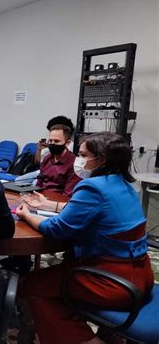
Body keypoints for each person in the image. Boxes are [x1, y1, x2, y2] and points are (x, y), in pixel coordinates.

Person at [17, 132, 154, 344]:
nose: (77, 160)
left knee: (33, 285)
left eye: (82, 155)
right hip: (140, 275)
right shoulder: (124, 184)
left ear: (101, 160)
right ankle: (108, 334)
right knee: (54, 283)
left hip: (108, 281)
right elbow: (91, 208)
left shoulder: (92, 187)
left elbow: (56, 229)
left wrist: (26, 214)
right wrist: (48, 205)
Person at [37, 124, 81, 197]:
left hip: (56, 202)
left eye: (56, 141)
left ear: (67, 143)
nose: (52, 143)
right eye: (50, 141)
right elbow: (39, 183)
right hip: (41, 197)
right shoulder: (47, 158)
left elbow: (67, 195)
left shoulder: (73, 164)